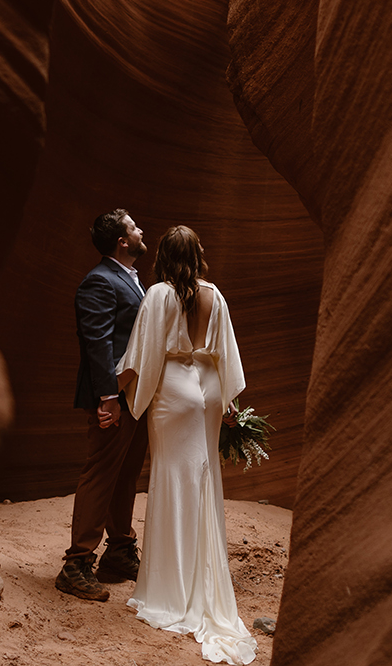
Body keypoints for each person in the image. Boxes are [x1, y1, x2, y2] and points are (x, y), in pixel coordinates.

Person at [116, 226, 257, 665]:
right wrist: (230, 403)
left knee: (172, 481)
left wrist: (116, 391)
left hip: (174, 390)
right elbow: (226, 357)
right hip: (209, 391)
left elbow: (143, 353)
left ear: (163, 255)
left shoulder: (159, 294)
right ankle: (203, 576)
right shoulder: (215, 295)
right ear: (198, 254)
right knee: (203, 478)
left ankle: (171, 591)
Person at [57, 209, 151, 602]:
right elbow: (97, 344)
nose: (141, 229)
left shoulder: (127, 278)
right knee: (101, 473)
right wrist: (108, 397)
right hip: (115, 396)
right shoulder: (99, 281)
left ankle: (119, 550)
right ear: (122, 242)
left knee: (125, 472)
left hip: (135, 395)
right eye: (133, 226)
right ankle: (76, 564)